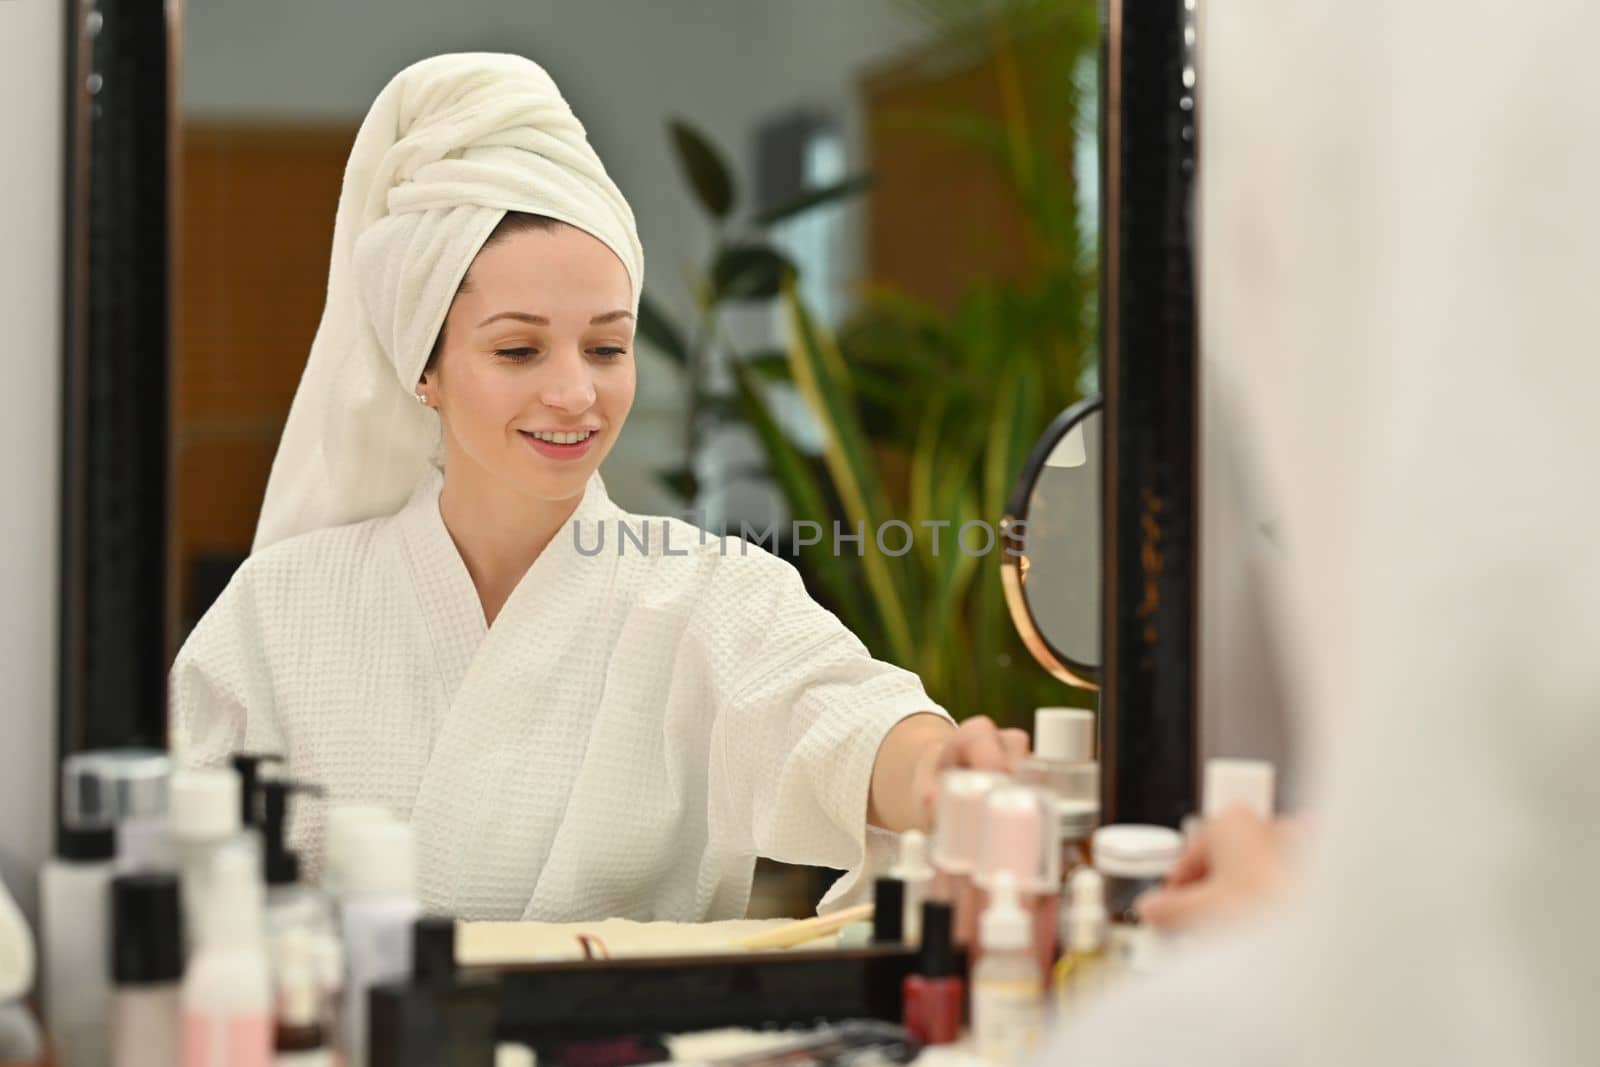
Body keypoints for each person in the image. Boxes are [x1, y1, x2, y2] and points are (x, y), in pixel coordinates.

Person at [169, 53, 1028, 923]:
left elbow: (838, 714)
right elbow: (185, 883)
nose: (576, 393)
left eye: (607, 347)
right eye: (518, 350)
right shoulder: (277, 612)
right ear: (422, 367)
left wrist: (937, 770)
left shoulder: (708, 593)